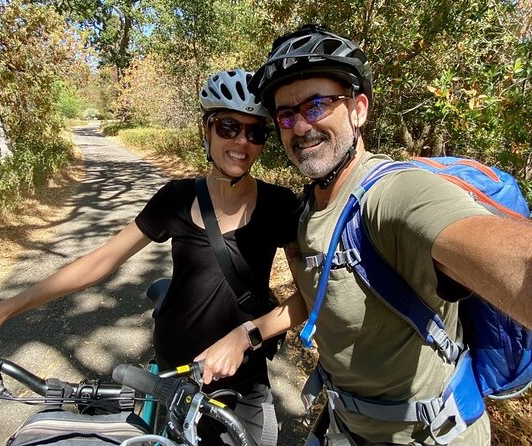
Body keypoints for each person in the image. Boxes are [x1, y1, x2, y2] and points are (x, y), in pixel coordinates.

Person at [0, 68, 300, 446]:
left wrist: (246, 335)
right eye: (228, 127)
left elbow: (311, 297)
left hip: (243, 378)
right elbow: (102, 260)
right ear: (207, 129)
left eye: (256, 131)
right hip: (173, 372)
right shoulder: (177, 199)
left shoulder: (280, 205)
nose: (242, 141)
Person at [195, 25, 532, 445]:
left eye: (316, 105)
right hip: (345, 425)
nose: (300, 127)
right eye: (286, 115)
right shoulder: (308, 211)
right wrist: (247, 334)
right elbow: (316, 295)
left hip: (430, 435)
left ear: (358, 109)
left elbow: (514, 259)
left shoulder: (396, 195)